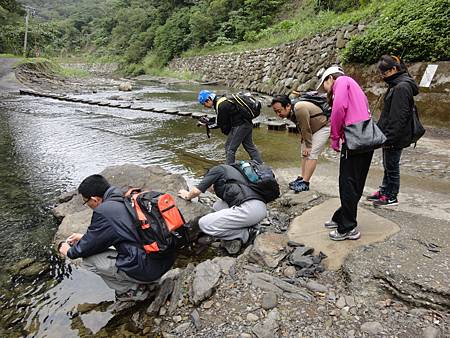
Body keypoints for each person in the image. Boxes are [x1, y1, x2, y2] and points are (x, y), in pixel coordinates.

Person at [58, 174, 176, 302]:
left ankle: (134, 290)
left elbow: (82, 250)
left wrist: (68, 251)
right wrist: (84, 237)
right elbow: (119, 233)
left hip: (150, 269)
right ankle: (145, 280)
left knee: (89, 261)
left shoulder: (104, 212)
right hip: (166, 260)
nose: (87, 205)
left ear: (95, 199)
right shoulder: (125, 197)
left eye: (86, 202)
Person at [317, 66, 374, 241]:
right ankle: (341, 217)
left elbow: (339, 109)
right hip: (366, 138)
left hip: (353, 140)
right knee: (355, 182)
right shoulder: (354, 85)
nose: (325, 89)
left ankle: (348, 228)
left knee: (347, 183)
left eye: (324, 84)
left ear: (330, 78)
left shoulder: (341, 81)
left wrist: (334, 137)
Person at [178, 164, 267, 254]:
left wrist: (187, 196)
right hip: (260, 207)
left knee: (203, 223)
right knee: (217, 206)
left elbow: (196, 191)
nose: (209, 191)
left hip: (250, 210)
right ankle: (251, 225)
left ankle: (247, 234)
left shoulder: (216, 170)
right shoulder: (231, 173)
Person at [366, 55, 419, 207]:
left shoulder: (401, 87)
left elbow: (399, 117)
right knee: (388, 165)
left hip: (395, 136)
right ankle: (384, 191)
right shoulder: (397, 83)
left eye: (384, 73)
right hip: (390, 133)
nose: (383, 77)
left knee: (392, 166)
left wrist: (389, 138)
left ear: (394, 69)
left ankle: (391, 196)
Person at [271, 94, 330, 192]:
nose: (278, 114)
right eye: (275, 112)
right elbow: (300, 125)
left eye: (279, 111)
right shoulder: (291, 112)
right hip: (313, 127)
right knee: (304, 152)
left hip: (325, 126)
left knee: (311, 153)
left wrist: (309, 146)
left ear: (288, 106)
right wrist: (304, 140)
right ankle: (302, 178)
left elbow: (305, 127)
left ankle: (305, 183)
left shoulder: (299, 108)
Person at [197, 89, 263, 165]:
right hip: (247, 123)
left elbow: (219, 123)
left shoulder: (220, 105)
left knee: (229, 148)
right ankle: (260, 165)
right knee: (249, 146)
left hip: (239, 126)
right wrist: (210, 120)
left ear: (208, 100)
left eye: (204, 104)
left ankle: (229, 169)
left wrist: (207, 124)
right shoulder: (223, 99)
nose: (204, 106)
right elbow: (224, 118)